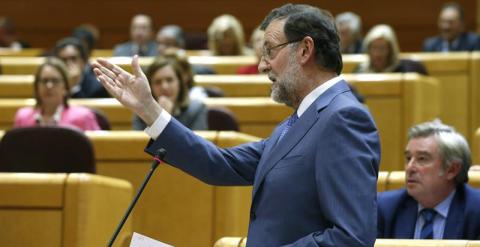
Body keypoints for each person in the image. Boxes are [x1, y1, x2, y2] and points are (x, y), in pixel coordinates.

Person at [93, 3, 380, 246]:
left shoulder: (343, 118)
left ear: (305, 50)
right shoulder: (297, 122)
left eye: (270, 50)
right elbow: (219, 164)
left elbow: (351, 237)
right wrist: (149, 109)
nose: (262, 65)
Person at [377, 120, 480, 239]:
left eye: (422, 159)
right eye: (408, 158)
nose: (410, 167)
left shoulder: (476, 210)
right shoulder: (386, 208)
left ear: (451, 170)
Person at [14, 58, 100, 131]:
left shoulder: (83, 116)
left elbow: (100, 147)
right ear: (37, 87)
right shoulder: (23, 117)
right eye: (44, 81)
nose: (49, 86)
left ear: (65, 87)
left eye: (55, 81)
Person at [132, 56, 208, 131]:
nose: (164, 87)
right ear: (150, 86)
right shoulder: (141, 113)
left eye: (169, 80)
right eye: (158, 82)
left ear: (180, 83)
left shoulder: (196, 109)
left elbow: (195, 143)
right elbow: (141, 143)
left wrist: (165, 119)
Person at [355, 24, 428, 74]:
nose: (378, 54)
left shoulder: (406, 70)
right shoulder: (360, 71)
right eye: (374, 48)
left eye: (382, 48)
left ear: (391, 50)